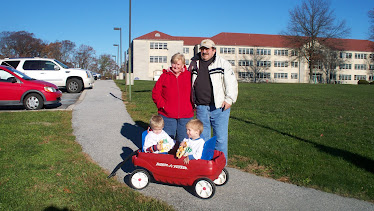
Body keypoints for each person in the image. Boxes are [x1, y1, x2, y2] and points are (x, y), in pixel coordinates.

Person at [188, 39, 238, 163]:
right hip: (201, 107)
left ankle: (220, 165)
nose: (204, 52)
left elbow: (231, 83)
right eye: (202, 49)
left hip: (219, 107)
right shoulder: (194, 63)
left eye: (207, 49)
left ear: (213, 50)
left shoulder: (222, 63)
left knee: (220, 138)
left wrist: (229, 99)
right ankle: (204, 163)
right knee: (202, 138)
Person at [152, 53, 194, 142]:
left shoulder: (189, 76)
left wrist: (192, 106)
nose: (175, 66)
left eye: (178, 64)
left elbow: (195, 91)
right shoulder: (164, 76)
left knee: (183, 141)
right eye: (173, 63)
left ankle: (181, 156)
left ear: (183, 65)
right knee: (166, 141)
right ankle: (166, 156)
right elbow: (156, 92)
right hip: (167, 115)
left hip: (186, 115)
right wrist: (162, 105)